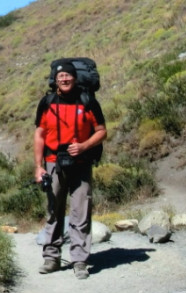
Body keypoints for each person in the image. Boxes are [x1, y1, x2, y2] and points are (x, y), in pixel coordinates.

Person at [33, 61, 106, 279]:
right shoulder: (47, 102)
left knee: (80, 211)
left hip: (81, 163)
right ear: (55, 80)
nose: (64, 79)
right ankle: (51, 258)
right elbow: (40, 135)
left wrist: (84, 146)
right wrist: (38, 167)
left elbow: (101, 131)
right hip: (53, 162)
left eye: (68, 75)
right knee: (54, 211)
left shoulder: (88, 101)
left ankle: (80, 261)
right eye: (60, 76)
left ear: (75, 78)